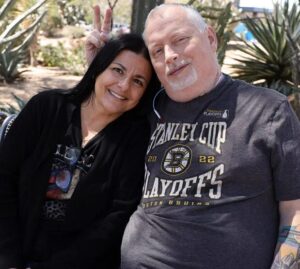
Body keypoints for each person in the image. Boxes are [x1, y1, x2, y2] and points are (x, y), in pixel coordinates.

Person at [86, 3, 300, 269]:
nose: (170, 55)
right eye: (157, 51)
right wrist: (102, 65)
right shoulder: (146, 105)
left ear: (210, 38)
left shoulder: (267, 109)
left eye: (180, 40)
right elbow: (94, 117)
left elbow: (295, 209)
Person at [0, 33, 159, 269]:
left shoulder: (135, 140)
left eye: (138, 81)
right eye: (117, 70)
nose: (124, 85)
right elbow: (4, 177)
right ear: (98, 68)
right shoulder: (46, 108)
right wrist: (9, 259)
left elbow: (117, 218)